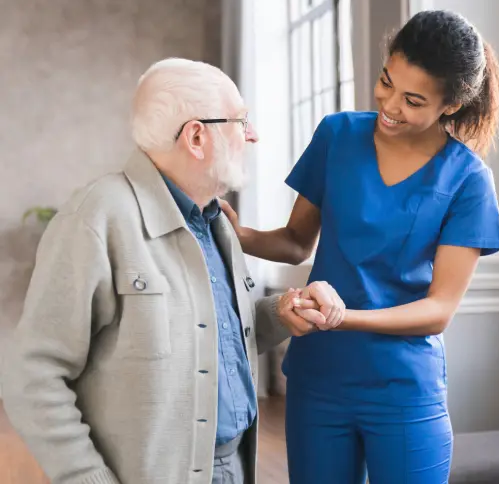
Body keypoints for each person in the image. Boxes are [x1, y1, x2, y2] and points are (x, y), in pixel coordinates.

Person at [0, 58, 342, 484]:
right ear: (197, 137)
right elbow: (31, 375)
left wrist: (282, 312)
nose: (252, 135)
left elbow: (209, 333)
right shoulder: (95, 218)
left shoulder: (217, 222)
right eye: (241, 121)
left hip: (235, 464)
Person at [222, 10, 499, 484]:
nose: (390, 105)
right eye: (386, 82)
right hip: (319, 379)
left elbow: (438, 310)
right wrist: (238, 233)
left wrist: (339, 317)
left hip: (404, 388)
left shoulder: (469, 181)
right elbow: (295, 243)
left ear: (450, 106)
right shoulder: (337, 134)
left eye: (413, 100)